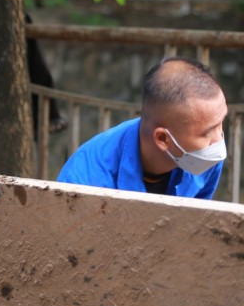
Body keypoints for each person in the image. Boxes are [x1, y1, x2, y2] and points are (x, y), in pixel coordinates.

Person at [56, 56, 227, 199]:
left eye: (221, 124)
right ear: (162, 139)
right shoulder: (82, 183)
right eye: (206, 133)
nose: (219, 139)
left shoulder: (205, 159)